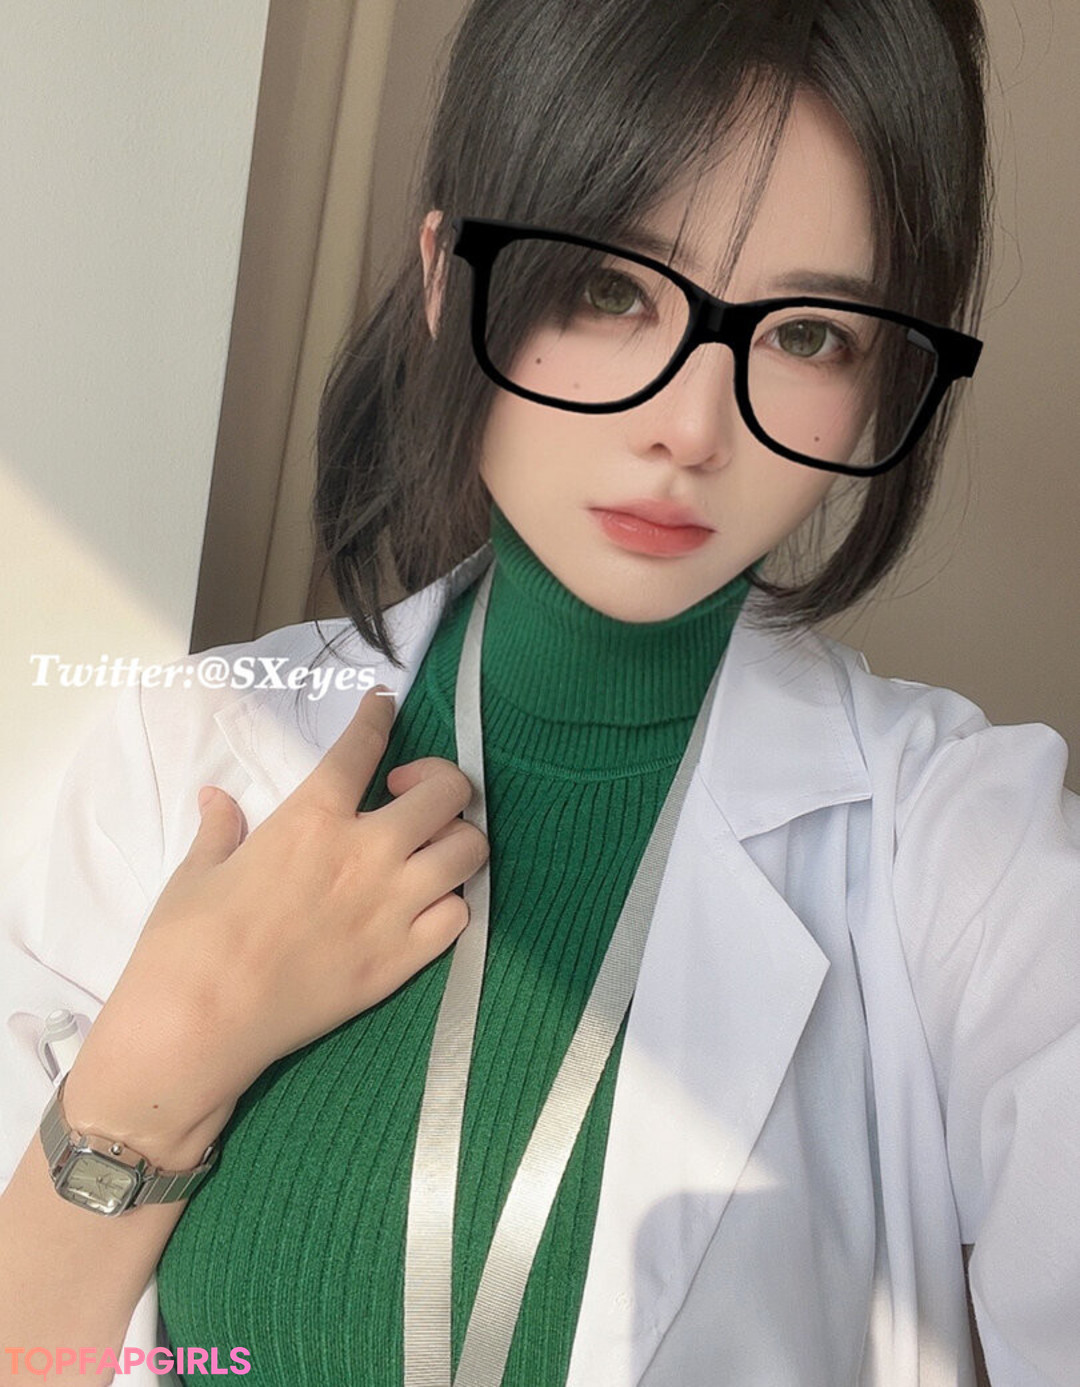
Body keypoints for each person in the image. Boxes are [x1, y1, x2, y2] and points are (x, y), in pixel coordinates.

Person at [1, 0, 1076, 1383]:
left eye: (810, 333)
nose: (689, 427)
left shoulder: (968, 853)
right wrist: (163, 1058)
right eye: (613, 290)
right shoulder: (183, 758)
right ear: (444, 274)